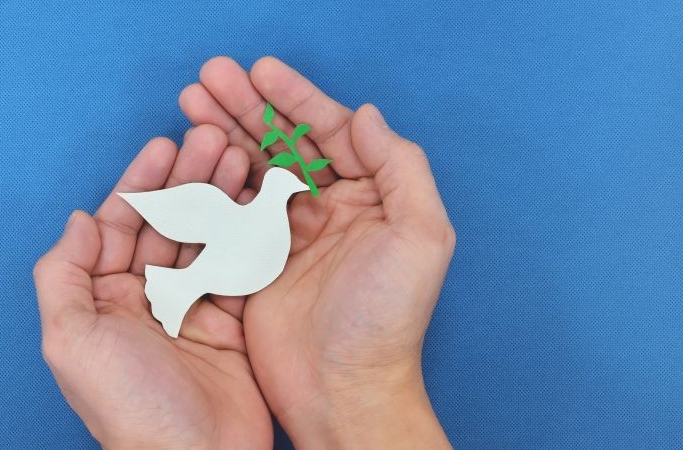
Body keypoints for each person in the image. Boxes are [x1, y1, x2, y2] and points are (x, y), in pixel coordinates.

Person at [33, 56, 456, 449]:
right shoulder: (228, 213)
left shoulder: (272, 224)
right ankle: (180, 291)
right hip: (211, 277)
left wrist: (357, 384)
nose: (294, 188)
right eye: (286, 185)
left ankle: (179, 292)